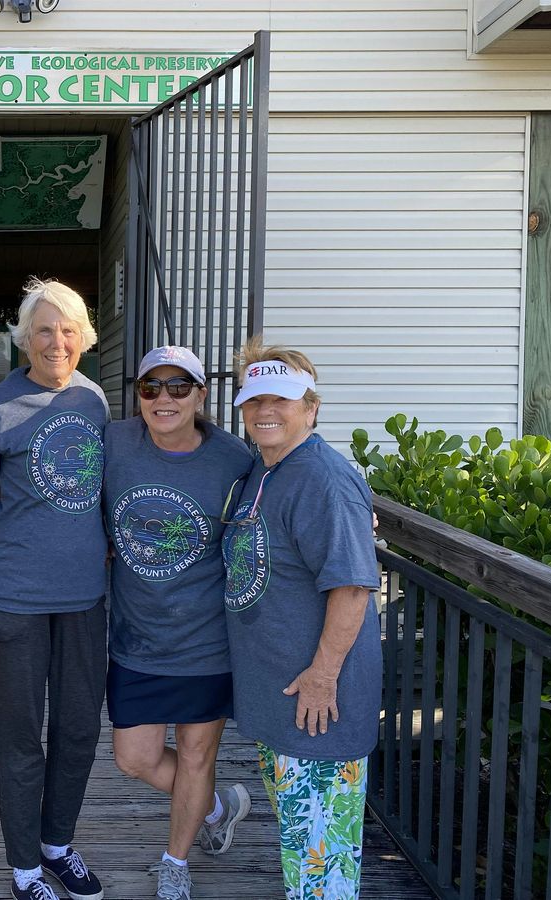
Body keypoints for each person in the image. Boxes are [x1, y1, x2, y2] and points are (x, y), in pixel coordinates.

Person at [0, 278, 109, 900]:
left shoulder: (94, 399)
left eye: (68, 330)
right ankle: (24, 868)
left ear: (83, 338)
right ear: (24, 339)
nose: (56, 342)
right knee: (19, 739)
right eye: (44, 330)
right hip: (13, 601)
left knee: (78, 730)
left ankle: (57, 845)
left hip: (84, 600)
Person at [221, 336, 382, 900]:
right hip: (283, 699)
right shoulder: (264, 469)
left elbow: (353, 587)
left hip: (318, 704)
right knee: (301, 845)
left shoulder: (324, 479)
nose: (265, 411)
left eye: (281, 400)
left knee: (321, 864)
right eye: (254, 400)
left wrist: (322, 675)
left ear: (311, 408)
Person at [101, 346, 254, 900]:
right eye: (151, 387)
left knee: (196, 755)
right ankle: (216, 806)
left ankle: (176, 862)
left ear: (200, 395)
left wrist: (356, 511)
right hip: (136, 639)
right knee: (133, 758)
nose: (163, 398)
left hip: (206, 640)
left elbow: (286, 492)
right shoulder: (115, 443)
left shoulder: (234, 459)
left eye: (179, 387)